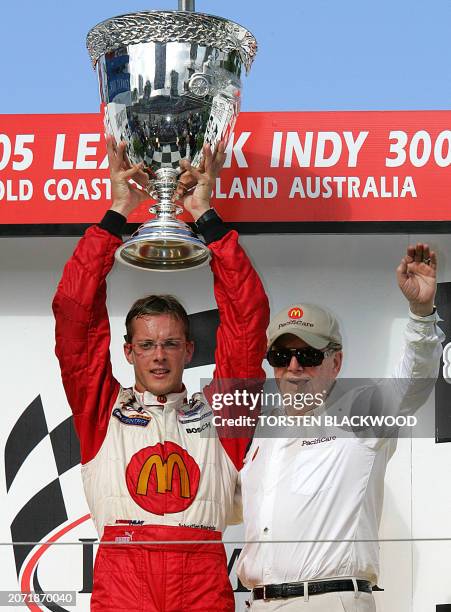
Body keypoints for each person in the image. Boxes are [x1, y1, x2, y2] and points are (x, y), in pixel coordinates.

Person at [52, 139, 269, 612]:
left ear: (190, 350)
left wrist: (207, 219)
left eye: (171, 343)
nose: (159, 357)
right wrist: (116, 215)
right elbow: (74, 318)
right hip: (123, 578)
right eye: (147, 345)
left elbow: (247, 324)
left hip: (202, 581)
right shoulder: (101, 413)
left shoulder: (221, 415)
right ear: (127, 351)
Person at [236, 243, 444, 611]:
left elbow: (412, 381)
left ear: (337, 362)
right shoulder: (260, 437)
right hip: (258, 603)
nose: (295, 367)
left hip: (328, 601)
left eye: (310, 355)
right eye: (282, 356)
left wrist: (421, 314)